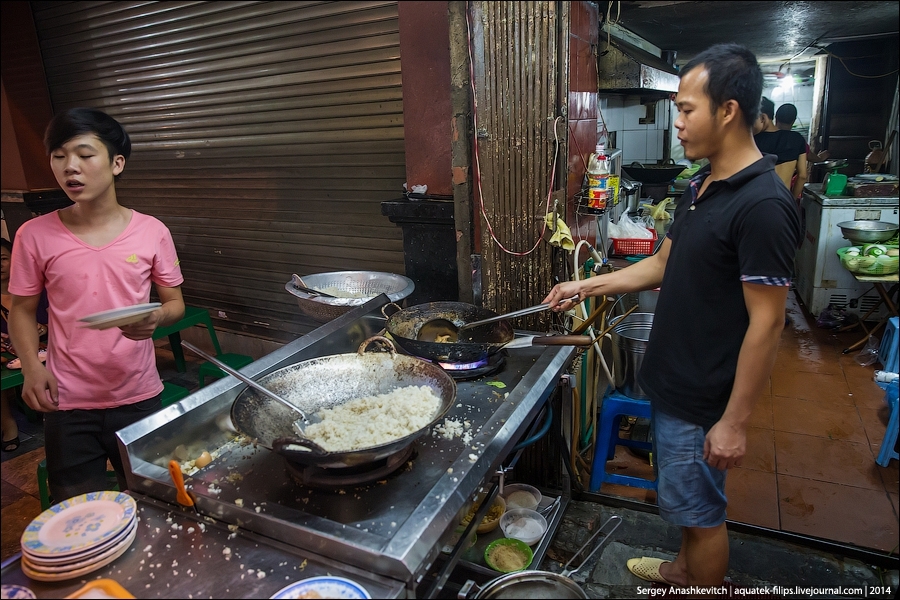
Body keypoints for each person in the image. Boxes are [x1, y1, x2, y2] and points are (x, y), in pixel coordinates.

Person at [544, 44, 800, 588]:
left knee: (704, 518)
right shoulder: (700, 185)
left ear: (727, 111)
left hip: (705, 396)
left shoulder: (763, 206)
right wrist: (584, 284)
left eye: (686, 109)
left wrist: (733, 422)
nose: (677, 122)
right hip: (674, 380)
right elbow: (661, 264)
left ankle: (697, 577)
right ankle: (680, 570)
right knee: (686, 505)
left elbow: (768, 324)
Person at [7, 107, 185, 501]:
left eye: (85, 155)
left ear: (116, 162)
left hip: (138, 394)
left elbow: (175, 304)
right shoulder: (33, 235)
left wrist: (155, 317)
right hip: (66, 401)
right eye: (59, 156)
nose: (71, 167)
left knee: (155, 500)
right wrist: (33, 371)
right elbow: (20, 310)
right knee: (76, 510)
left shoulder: (152, 231)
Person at [1, 238, 49, 452]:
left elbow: (55, 320)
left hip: (43, 348)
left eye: (2, 258)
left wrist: (44, 328)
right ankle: (8, 424)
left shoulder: (39, 289)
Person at [753, 98, 808, 199]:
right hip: (783, 200)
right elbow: (802, 175)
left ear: (762, 118)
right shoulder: (796, 139)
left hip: (758, 201)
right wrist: (792, 200)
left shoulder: (753, 141)